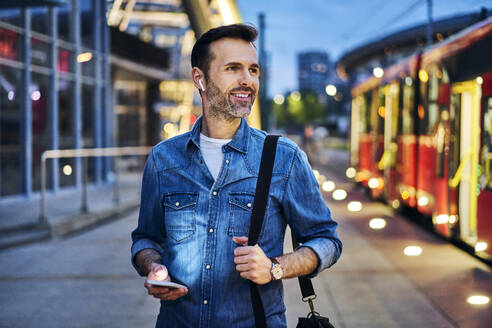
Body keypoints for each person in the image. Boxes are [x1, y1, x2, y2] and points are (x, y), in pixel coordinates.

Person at [131, 24, 342, 328]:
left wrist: (275, 267)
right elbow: (146, 238)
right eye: (233, 68)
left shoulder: (284, 157)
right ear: (199, 78)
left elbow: (327, 240)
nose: (248, 80)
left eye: (253, 70)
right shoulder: (164, 160)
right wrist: (153, 266)